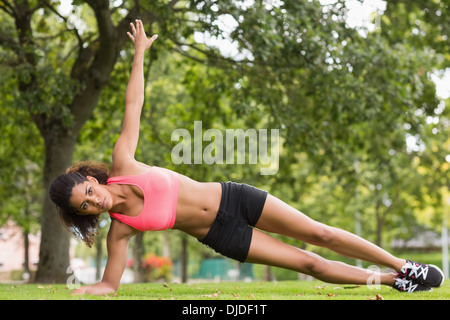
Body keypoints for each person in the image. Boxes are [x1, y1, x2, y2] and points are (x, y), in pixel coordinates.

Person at [49, 20, 444, 295]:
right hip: (223, 235)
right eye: (84, 206)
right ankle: (395, 282)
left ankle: (404, 264)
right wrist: (86, 290)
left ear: (93, 179)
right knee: (311, 265)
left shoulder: (123, 165)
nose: (93, 200)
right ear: (86, 213)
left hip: (234, 197)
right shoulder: (119, 231)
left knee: (319, 233)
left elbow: (132, 104)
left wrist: (138, 55)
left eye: (87, 190)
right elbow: (109, 285)